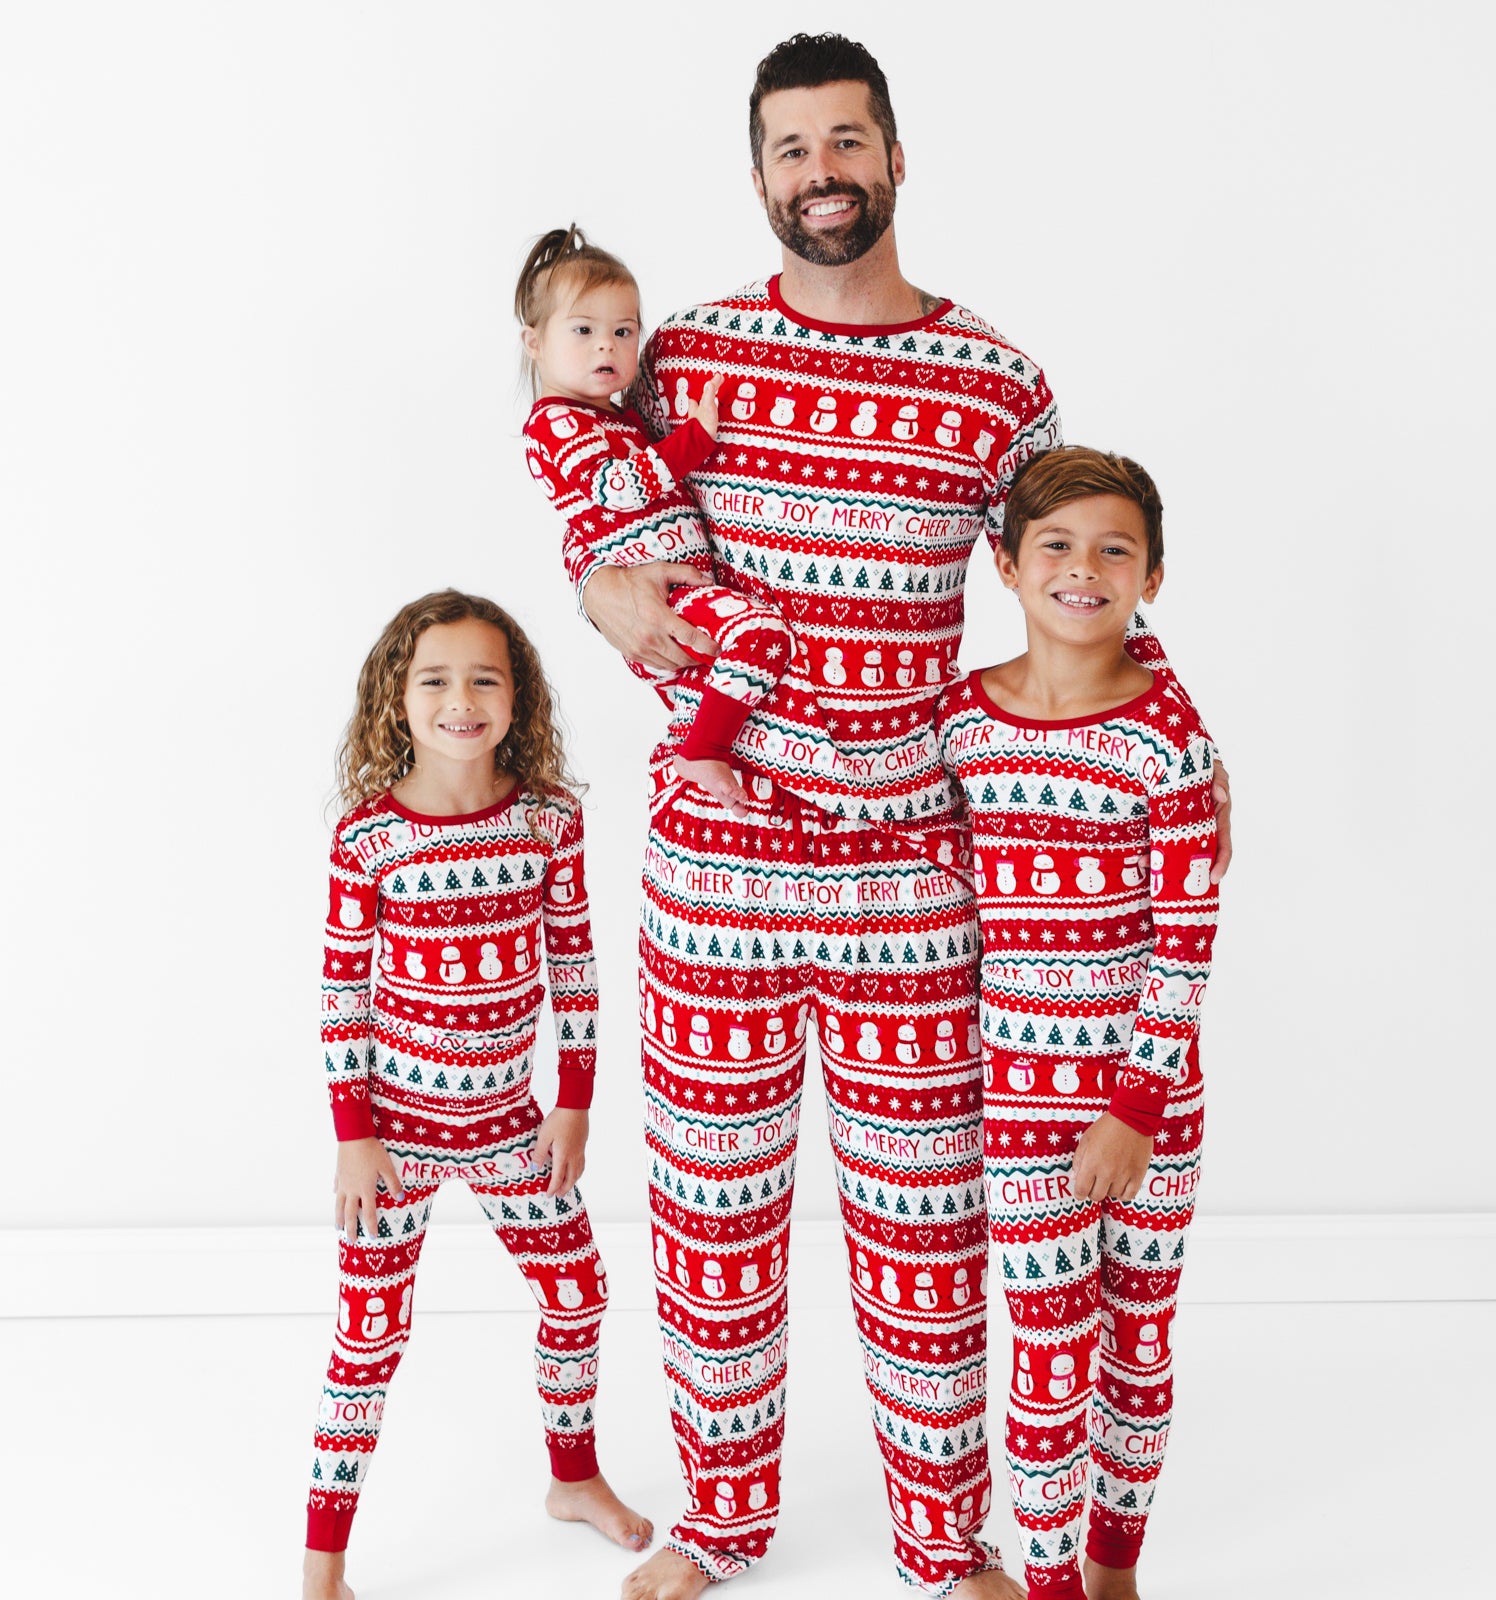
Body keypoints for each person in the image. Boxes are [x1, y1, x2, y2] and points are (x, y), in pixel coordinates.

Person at [573, 34, 1232, 1600]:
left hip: (915, 892)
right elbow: (591, 488)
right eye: (793, 149)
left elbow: (1077, 586)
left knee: (925, 1251)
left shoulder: (999, 385)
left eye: (848, 141)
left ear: (898, 155)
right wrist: (596, 589)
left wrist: (1166, 756)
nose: (824, 173)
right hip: (716, 877)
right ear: (757, 176)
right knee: (712, 1229)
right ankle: (724, 1521)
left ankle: (947, 1546)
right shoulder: (686, 356)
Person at [301, 590, 651, 1600]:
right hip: (395, 1138)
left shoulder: (548, 817)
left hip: (510, 1127)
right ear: (395, 699)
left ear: (518, 696)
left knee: (578, 1293)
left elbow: (575, 966)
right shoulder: (369, 837)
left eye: (485, 678)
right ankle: (323, 1567)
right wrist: (354, 1135)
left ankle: (572, 1477)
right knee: (369, 1338)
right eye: (436, 679)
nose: (462, 699)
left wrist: (573, 1101)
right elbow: (340, 996)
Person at [935, 448, 1219, 1600]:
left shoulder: (1169, 741)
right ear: (1002, 564)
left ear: (1152, 578)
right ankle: (1049, 1584)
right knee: (1049, 1365)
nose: (1082, 569)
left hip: (1149, 1105)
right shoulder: (961, 722)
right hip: (1017, 1105)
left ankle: (1113, 1571)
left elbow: (1186, 942)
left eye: (1115, 550)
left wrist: (1132, 1109)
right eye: (1053, 545)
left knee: (1136, 1351)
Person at [518, 225, 797, 817]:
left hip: (685, 588)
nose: (607, 348)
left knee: (736, 683)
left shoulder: (621, 418)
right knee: (762, 638)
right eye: (584, 331)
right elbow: (612, 490)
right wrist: (693, 440)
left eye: (624, 332)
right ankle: (704, 751)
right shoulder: (555, 425)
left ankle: (712, 756)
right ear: (534, 342)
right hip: (663, 597)